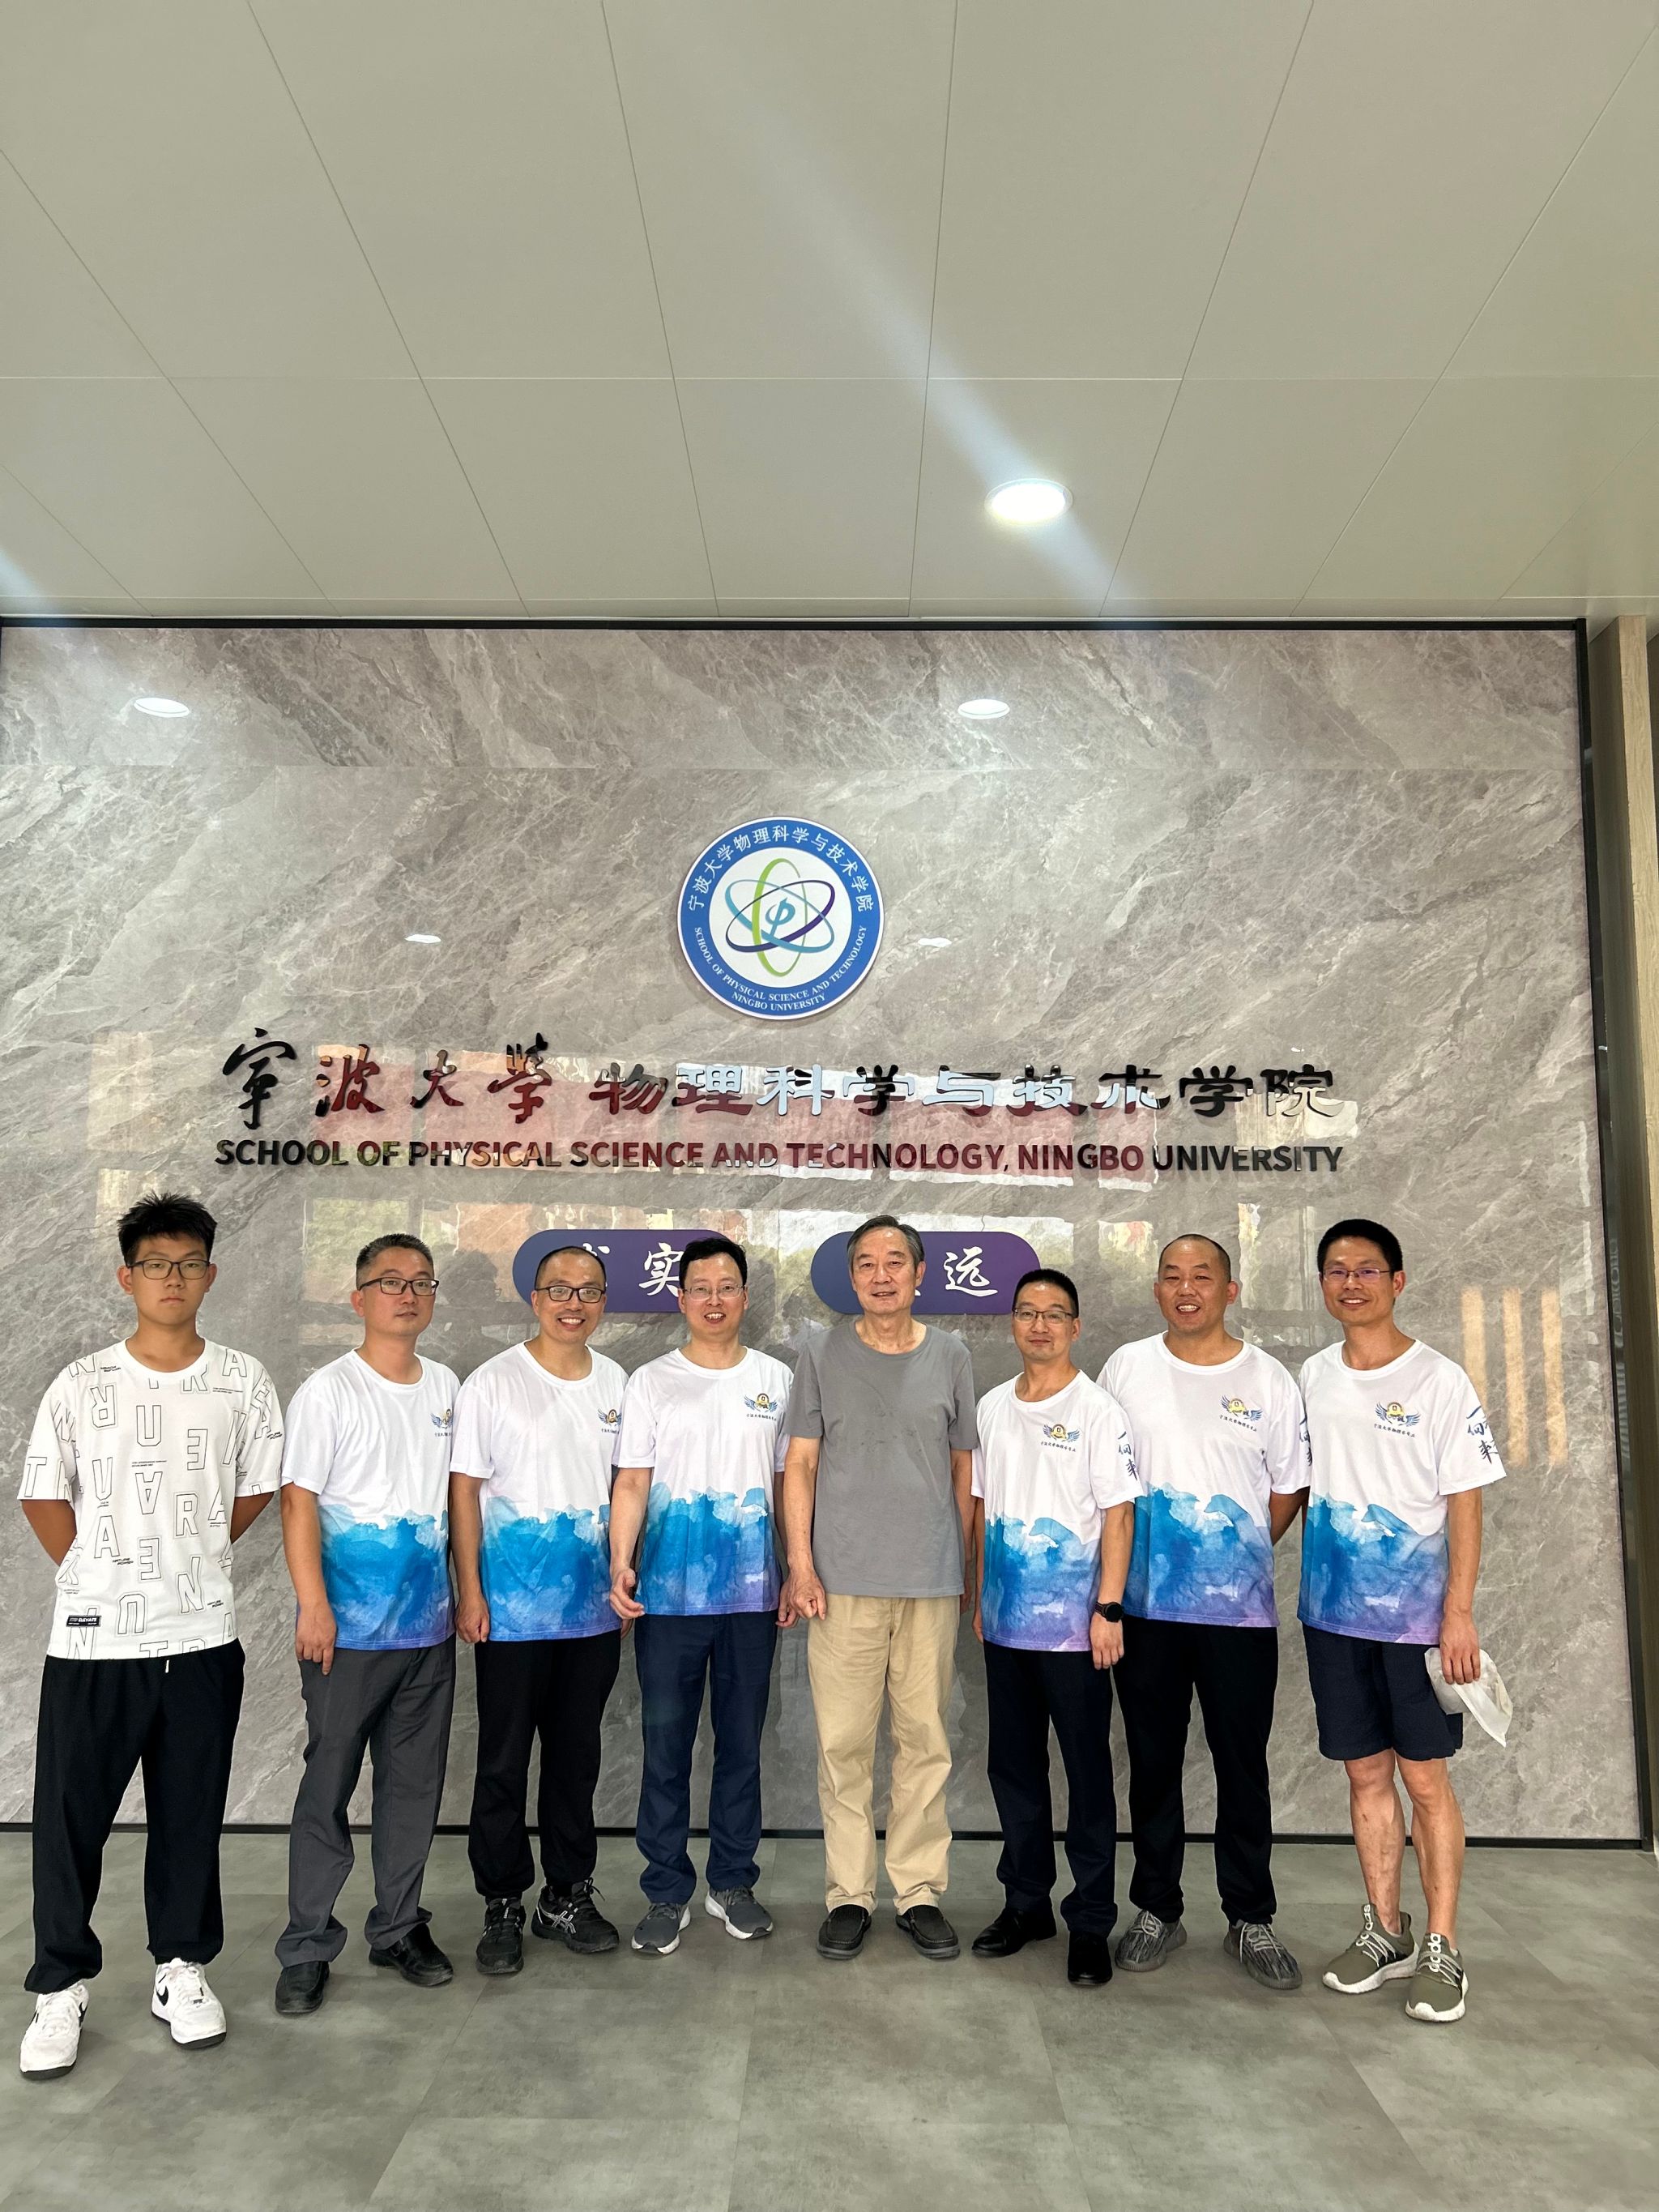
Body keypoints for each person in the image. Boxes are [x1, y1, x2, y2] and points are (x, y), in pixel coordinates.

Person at [16, 1191, 283, 2081]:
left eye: (189, 1264)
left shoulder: (242, 1380)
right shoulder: (82, 1383)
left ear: (211, 1275)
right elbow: (42, 1494)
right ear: (126, 1278)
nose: (174, 1279)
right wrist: (94, 1569)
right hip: (94, 1643)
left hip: (201, 1635)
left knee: (189, 1812)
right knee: (69, 1820)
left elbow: (256, 1486)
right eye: (156, 1265)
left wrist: (192, 1553)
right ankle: (60, 1984)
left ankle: (182, 1968)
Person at [1301, 1218, 1504, 2026]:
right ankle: (1385, 1930)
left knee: (1423, 1779)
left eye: (1366, 1270)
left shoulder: (1439, 1380)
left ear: (1397, 1281)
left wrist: (1458, 1613)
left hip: (1417, 1621)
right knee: (1363, 1775)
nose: (1350, 1283)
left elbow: (1465, 1503)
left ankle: (1442, 1945)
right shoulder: (1312, 1376)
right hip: (1331, 1614)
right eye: (1336, 1270)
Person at [1102, 1235, 1310, 1992]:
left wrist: (1231, 1556)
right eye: (1172, 1276)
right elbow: (1105, 1476)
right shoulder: (1126, 1368)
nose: (1186, 1288)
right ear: (1157, 1290)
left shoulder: (1269, 1379)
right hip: (1145, 1610)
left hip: (1239, 1617)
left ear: (1231, 1289)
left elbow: (1288, 1487)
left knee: (1240, 1764)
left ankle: (1250, 1915)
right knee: (1153, 1762)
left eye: (1202, 1276)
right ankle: (1157, 1907)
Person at [782, 1215, 978, 1963]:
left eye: (896, 1261)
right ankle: (849, 1895)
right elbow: (801, 1463)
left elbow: (962, 1469)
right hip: (842, 1581)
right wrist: (801, 1564)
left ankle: (919, 1892)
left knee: (925, 1740)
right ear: (852, 1277)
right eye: (867, 1263)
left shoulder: (951, 1355)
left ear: (920, 1274)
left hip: (928, 1579)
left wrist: (962, 1565)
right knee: (843, 1745)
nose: (882, 1275)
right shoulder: (820, 1353)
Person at [273, 1233, 458, 2016]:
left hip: (428, 1631)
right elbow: (297, 1502)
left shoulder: (445, 1385)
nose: (406, 1294)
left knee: (412, 1790)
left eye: (421, 1282)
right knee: (329, 1786)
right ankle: (308, 1944)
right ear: (358, 1298)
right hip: (346, 1635)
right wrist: (314, 1605)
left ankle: (398, 1928)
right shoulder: (329, 1391)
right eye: (389, 1282)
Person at [609, 1235, 794, 1954]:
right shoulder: (651, 1381)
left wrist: (796, 1568)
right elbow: (633, 1480)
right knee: (666, 1749)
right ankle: (665, 1890)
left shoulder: (777, 1379)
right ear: (680, 1298)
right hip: (668, 1600)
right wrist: (620, 1563)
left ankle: (733, 1882)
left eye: (727, 1287)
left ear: (745, 1297)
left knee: (741, 1746)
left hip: (751, 1600)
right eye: (701, 1288)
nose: (714, 1301)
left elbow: (787, 1485)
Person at [450, 1242, 627, 1976]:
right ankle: (502, 1901)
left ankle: (566, 1894)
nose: (572, 1303)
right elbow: (464, 1491)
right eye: (559, 1289)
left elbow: (629, 1488)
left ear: (603, 1301)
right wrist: (471, 1590)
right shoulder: (493, 1382)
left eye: (587, 1291)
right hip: (511, 1612)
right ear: (535, 1298)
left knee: (575, 1759)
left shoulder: (617, 1382)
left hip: (593, 1612)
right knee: (502, 1761)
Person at [970, 1269, 1137, 1988]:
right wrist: (982, 1596)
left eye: (1054, 1314)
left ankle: (1091, 1920)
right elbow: (982, 1508)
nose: (1039, 1325)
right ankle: (1026, 1903)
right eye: (1027, 1312)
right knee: (1013, 1769)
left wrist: (1108, 1608)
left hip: (1077, 1632)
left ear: (1075, 1327)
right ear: (1012, 1323)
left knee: (1087, 1773)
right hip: (1006, 1626)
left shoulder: (1098, 1410)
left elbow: (1119, 1514)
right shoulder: (991, 1407)